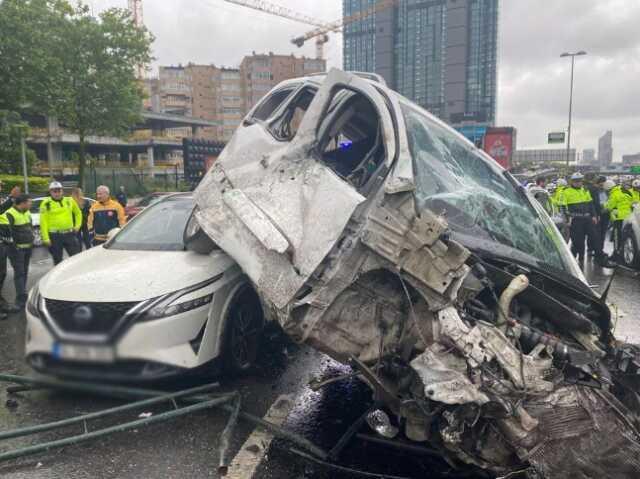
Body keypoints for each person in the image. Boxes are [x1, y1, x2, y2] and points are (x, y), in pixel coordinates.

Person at [0, 194, 34, 310]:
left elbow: (30, 229)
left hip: (27, 248)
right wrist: (14, 247)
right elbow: (6, 233)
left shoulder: (27, 213)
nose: (31, 204)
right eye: (29, 202)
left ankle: (22, 296)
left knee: (24, 272)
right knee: (19, 273)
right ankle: (20, 300)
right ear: (22, 203)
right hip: (16, 250)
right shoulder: (9, 213)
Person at [40, 181, 82, 265]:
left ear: (62, 191)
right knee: (57, 260)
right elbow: (43, 221)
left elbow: (78, 213)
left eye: (59, 190)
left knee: (76, 258)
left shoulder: (69, 200)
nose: (57, 193)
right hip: (55, 236)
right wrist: (46, 238)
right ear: (50, 192)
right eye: (54, 191)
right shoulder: (45, 203)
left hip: (69, 234)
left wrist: (77, 226)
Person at [562, 172, 598, 266]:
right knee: (578, 241)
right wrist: (567, 219)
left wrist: (594, 215)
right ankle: (576, 258)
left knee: (594, 237)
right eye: (576, 181)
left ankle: (582, 259)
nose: (578, 183)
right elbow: (563, 207)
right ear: (572, 181)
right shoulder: (566, 191)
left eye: (580, 181)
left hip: (587, 218)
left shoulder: (585, 190)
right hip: (575, 219)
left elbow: (590, 204)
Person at [606, 176, 635, 261]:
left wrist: (603, 206)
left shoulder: (614, 194)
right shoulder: (627, 192)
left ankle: (616, 256)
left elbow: (609, 206)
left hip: (618, 219)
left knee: (616, 237)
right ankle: (622, 254)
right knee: (625, 237)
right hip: (628, 218)